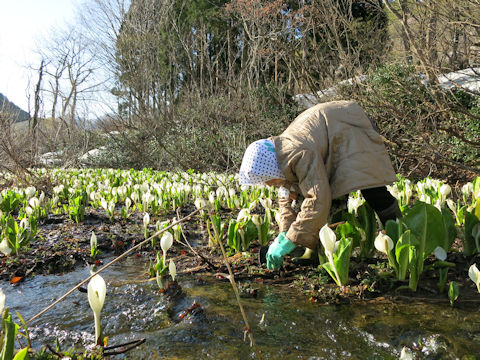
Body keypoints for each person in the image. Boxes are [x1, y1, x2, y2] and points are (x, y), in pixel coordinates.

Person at [238, 100, 401, 270]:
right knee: (306, 200)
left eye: (267, 180)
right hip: (329, 131)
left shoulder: (298, 154)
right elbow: (286, 199)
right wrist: (285, 234)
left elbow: (318, 198)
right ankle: (315, 251)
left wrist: (292, 240)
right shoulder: (279, 163)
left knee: (371, 187)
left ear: (269, 168)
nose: (269, 184)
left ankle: (401, 238)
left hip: (349, 130)